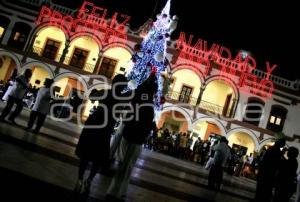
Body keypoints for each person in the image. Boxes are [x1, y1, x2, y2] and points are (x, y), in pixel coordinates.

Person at [106, 71, 157, 201]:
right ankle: (119, 191)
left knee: (122, 164)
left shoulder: (138, 98)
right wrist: (149, 127)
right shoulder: (148, 104)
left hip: (129, 133)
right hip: (136, 138)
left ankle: (114, 190)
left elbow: (131, 114)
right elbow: (147, 123)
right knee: (127, 166)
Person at [74, 74, 128, 194]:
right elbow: (121, 113)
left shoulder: (106, 92)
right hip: (105, 127)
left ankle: (80, 180)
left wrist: (94, 92)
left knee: (86, 155)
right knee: (98, 157)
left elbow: (92, 96)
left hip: (95, 123)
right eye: (123, 85)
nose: (123, 87)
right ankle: (88, 180)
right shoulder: (122, 98)